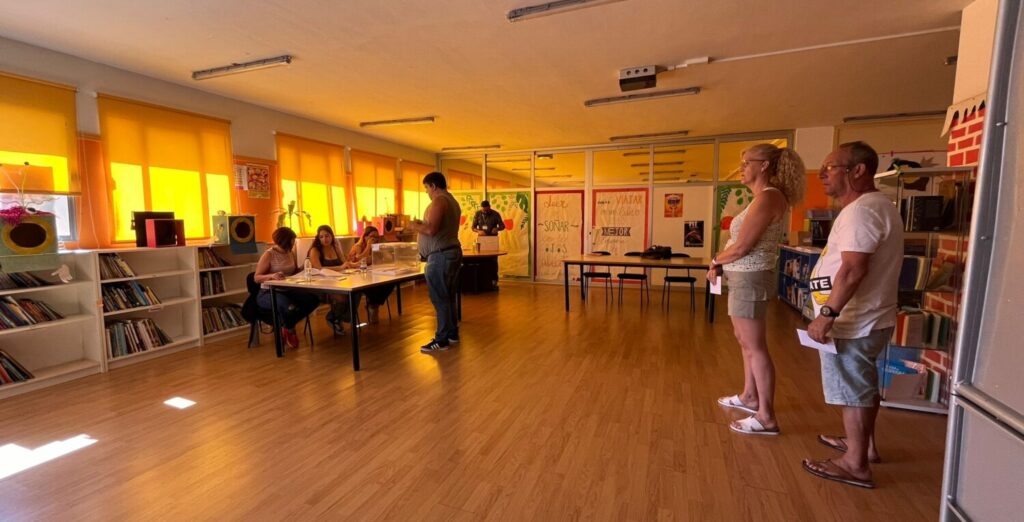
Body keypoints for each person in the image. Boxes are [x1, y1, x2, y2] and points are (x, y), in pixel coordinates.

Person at [802, 141, 903, 489]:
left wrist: (827, 313)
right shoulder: (872, 206)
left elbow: (852, 270)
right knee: (861, 385)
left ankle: (855, 463)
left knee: (852, 390)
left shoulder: (863, 210)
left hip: (854, 320)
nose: (824, 174)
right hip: (867, 317)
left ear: (858, 171)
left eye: (832, 167)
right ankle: (864, 445)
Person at [708, 143, 806, 436]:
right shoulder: (762, 199)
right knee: (744, 341)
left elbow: (741, 247)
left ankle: (766, 416)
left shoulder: (768, 198)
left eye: (747, 162)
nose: (742, 168)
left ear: (764, 166)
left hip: (750, 277)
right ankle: (750, 396)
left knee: (755, 347)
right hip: (743, 278)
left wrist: (715, 260)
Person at [407, 171, 462, 353]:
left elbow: (431, 230)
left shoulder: (440, 201)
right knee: (447, 296)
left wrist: (413, 225)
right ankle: (452, 334)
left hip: (440, 256)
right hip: (449, 253)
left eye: (426, 188)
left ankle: (442, 339)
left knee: (439, 298)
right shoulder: (452, 201)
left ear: (433, 186)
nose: (426, 193)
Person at [254, 226, 320, 349]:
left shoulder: (290, 253)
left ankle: (287, 326)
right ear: (285, 240)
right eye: (292, 240)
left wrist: (303, 267)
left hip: (287, 289)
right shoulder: (269, 254)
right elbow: (257, 277)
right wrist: (272, 276)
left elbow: (293, 272)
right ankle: (290, 329)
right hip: (268, 292)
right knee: (290, 307)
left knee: (313, 299)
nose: (293, 243)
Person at [340, 226, 394, 324]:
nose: (375, 239)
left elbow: (384, 259)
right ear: (365, 236)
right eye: (372, 236)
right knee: (371, 286)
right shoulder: (357, 247)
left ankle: (374, 304)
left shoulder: (377, 246)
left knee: (391, 282)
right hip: (359, 277)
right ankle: (373, 305)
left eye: (377, 237)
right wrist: (368, 247)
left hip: (374, 274)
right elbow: (358, 260)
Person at [307, 225, 346, 335]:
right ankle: (332, 318)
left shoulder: (335, 247)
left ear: (332, 236)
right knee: (342, 297)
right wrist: (340, 268)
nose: (325, 239)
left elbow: (344, 263)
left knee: (356, 292)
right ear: (318, 238)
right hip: (321, 285)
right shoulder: (315, 250)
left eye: (327, 236)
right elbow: (318, 268)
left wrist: (353, 264)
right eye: (321, 237)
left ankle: (342, 317)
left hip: (339, 281)